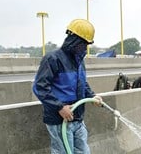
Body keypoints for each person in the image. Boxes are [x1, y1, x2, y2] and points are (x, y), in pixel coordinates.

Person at [33, 19, 102, 154]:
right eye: (83, 43)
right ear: (73, 40)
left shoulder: (79, 61)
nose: (84, 47)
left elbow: (82, 83)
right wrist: (59, 107)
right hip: (59, 121)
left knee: (83, 151)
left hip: (77, 118)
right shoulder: (53, 59)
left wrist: (92, 96)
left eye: (86, 44)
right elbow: (40, 87)